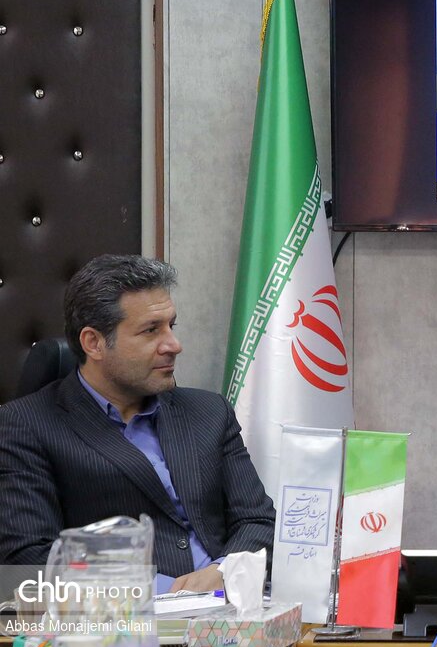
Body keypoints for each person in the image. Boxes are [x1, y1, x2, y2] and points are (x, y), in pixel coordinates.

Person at [0, 254, 275, 593]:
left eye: (171, 326)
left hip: (232, 604)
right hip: (124, 616)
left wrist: (225, 571)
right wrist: (161, 592)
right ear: (94, 343)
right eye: (151, 330)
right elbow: (28, 559)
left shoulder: (208, 411)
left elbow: (258, 521)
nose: (174, 345)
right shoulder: (26, 426)